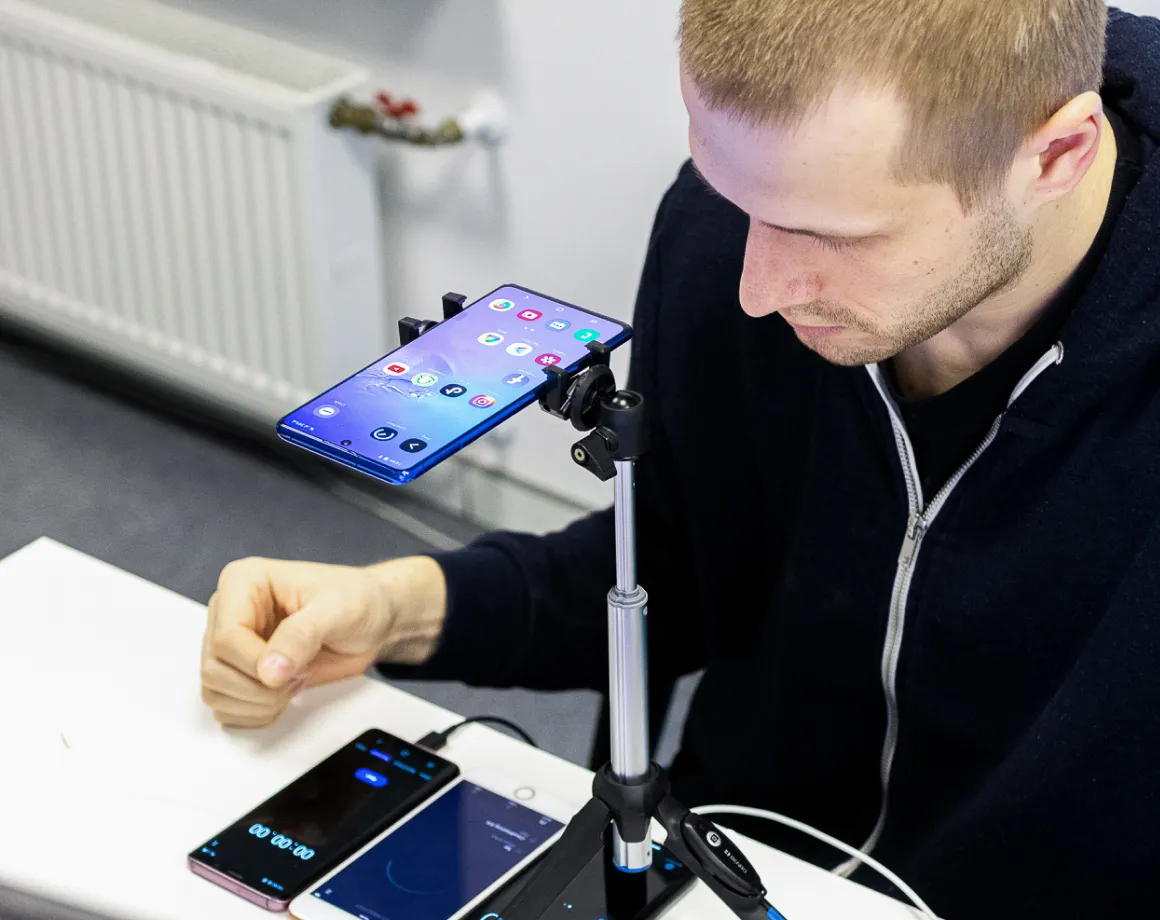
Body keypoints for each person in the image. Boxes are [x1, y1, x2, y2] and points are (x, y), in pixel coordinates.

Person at [200, 2, 1160, 916]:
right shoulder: (719, 238)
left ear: (1058, 154)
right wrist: (396, 609)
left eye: (831, 233)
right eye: (733, 195)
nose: (756, 289)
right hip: (731, 863)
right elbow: (675, 562)